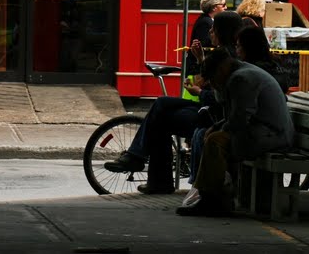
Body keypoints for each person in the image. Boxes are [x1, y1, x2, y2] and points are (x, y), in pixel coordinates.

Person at [104, 10, 244, 194]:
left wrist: (199, 92)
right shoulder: (223, 53)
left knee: (161, 121)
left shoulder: (228, 57)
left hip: (214, 117)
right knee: (162, 103)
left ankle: (154, 176)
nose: (210, 33)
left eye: (213, 29)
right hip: (208, 109)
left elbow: (221, 98)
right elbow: (213, 83)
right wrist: (201, 59)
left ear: (221, 31)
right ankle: (139, 160)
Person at [176, 48, 295, 217]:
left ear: (221, 70)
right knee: (211, 136)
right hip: (264, 130)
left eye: (213, 80)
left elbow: (239, 119)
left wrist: (219, 129)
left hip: (272, 135)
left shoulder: (241, 79)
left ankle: (211, 199)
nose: (214, 84)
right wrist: (217, 126)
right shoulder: (240, 72)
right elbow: (236, 115)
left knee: (215, 142)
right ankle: (213, 195)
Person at [185, 0, 227, 85]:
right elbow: (206, 47)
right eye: (223, 5)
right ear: (214, 7)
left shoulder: (207, 20)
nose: (226, 7)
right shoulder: (206, 23)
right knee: (194, 98)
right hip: (197, 72)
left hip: (200, 69)